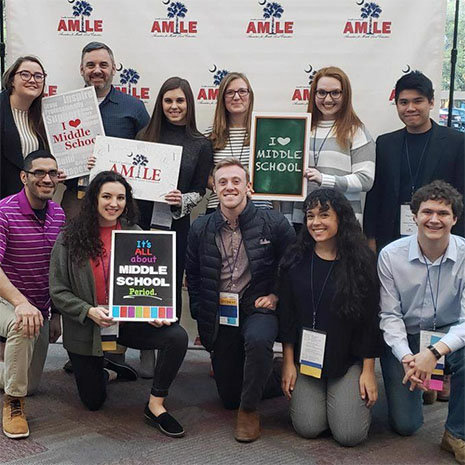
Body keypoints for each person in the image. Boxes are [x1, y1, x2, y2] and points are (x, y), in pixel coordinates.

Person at [49, 171, 188, 437]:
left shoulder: (135, 233)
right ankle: (109, 371)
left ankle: (155, 405)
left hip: (126, 323)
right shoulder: (69, 237)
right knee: (93, 402)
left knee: (177, 336)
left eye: (121, 197)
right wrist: (87, 310)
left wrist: (153, 310)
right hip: (87, 328)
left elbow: (146, 282)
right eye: (107, 196)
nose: (114, 203)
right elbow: (57, 291)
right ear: (94, 199)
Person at [185, 158, 295, 443]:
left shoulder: (274, 223)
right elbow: (193, 275)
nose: (229, 187)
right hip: (222, 311)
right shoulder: (201, 227)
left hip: (258, 307)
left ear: (249, 187)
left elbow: (292, 265)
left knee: (258, 341)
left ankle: (249, 410)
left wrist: (276, 295)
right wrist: (200, 311)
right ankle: (264, 373)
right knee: (229, 397)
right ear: (214, 189)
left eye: (236, 181)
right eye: (222, 182)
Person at [279, 188, 381, 446]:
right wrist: (288, 363)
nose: (316, 223)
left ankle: (341, 400)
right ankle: (324, 401)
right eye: (310, 216)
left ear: (341, 218)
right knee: (307, 427)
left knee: (349, 435)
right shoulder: (294, 259)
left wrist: (368, 371)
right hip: (307, 358)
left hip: (346, 359)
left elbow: (369, 321)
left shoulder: (361, 261)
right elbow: (288, 316)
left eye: (324, 215)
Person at [378, 180, 465, 464]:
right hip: (408, 336)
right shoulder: (391, 256)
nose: (434, 219)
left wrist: (434, 353)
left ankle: (455, 432)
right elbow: (390, 317)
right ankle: (426, 385)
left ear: (455, 218)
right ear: (414, 216)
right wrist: (407, 357)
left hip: (449, 339)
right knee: (406, 426)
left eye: (443, 213)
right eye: (427, 212)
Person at [0, 150, 65, 439]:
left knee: (32, 383)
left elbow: (59, 270)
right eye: (39, 172)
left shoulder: (59, 214)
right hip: (8, 300)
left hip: (39, 309)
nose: (47, 178)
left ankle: (10, 367)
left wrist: (56, 314)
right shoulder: (4, 211)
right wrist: (21, 303)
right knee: (21, 324)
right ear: (24, 177)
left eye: (52, 172)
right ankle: (14, 403)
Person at [137, 76, 213, 320]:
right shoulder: (143, 136)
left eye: (180, 100)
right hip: (141, 222)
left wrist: (182, 199)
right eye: (168, 100)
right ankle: (142, 346)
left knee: (169, 284)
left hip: (177, 225)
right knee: (138, 282)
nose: (174, 106)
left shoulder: (201, 144)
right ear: (160, 103)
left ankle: (170, 344)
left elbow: (201, 190)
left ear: (189, 104)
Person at [364, 71, 464, 253]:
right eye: (403, 102)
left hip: (440, 237)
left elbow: (461, 193)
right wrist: (370, 238)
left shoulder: (456, 142)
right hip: (390, 238)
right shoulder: (385, 143)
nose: (410, 108)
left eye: (418, 101)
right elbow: (375, 194)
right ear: (396, 105)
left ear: (431, 102)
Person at [61, 42, 150, 218]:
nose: (97, 70)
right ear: (81, 69)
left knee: (119, 245)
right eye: (90, 65)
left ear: (114, 68)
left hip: (120, 203)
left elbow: (150, 151)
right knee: (74, 244)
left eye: (103, 65)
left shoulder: (134, 107)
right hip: (78, 199)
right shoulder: (64, 108)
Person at [282, 66, 375, 228]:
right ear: (314, 94)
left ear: (345, 95)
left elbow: (365, 180)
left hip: (342, 222)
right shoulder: (299, 128)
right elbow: (288, 180)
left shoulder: (356, 131)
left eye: (335, 92)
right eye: (322, 92)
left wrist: (324, 179)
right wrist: (287, 219)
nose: (328, 99)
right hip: (303, 221)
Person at [205, 71, 271, 212]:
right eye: (230, 92)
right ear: (222, 98)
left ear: (250, 96)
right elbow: (203, 177)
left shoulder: (266, 133)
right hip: (219, 209)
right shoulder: (210, 135)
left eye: (242, 91)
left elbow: (275, 175)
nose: (236, 97)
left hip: (259, 207)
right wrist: (230, 190)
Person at [0, 56, 48, 199]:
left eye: (38, 76)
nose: (32, 80)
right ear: (11, 80)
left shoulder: (43, 116)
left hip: (31, 203)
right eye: (25, 74)